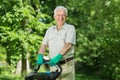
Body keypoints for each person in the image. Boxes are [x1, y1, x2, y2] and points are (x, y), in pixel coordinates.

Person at [36, 5, 76, 80]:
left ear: (66, 17)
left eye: (63, 15)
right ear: (54, 17)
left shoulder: (70, 28)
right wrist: (40, 56)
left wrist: (58, 57)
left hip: (66, 66)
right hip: (53, 67)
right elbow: (43, 45)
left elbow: (68, 45)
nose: (60, 17)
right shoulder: (50, 30)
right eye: (58, 15)